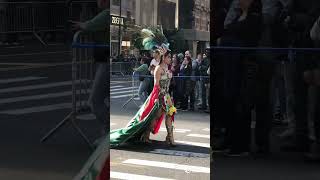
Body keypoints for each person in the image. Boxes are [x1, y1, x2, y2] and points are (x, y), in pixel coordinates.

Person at [110, 28, 177, 147]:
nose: (170, 59)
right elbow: (156, 84)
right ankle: (145, 135)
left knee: (170, 115)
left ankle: (170, 138)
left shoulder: (167, 68)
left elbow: (168, 84)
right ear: (163, 57)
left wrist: (169, 94)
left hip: (166, 95)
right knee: (152, 118)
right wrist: (160, 96)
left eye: (170, 57)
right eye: (168, 57)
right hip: (159, 95)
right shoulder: (158, 68)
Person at [70, 0, 109, 139]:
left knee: (95, 100)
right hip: (107, 60)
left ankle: (108, 132)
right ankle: (107, 133)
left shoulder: (108, 13)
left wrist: (81, 25)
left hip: (107, 62)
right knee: (103, 99)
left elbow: (89, 25)